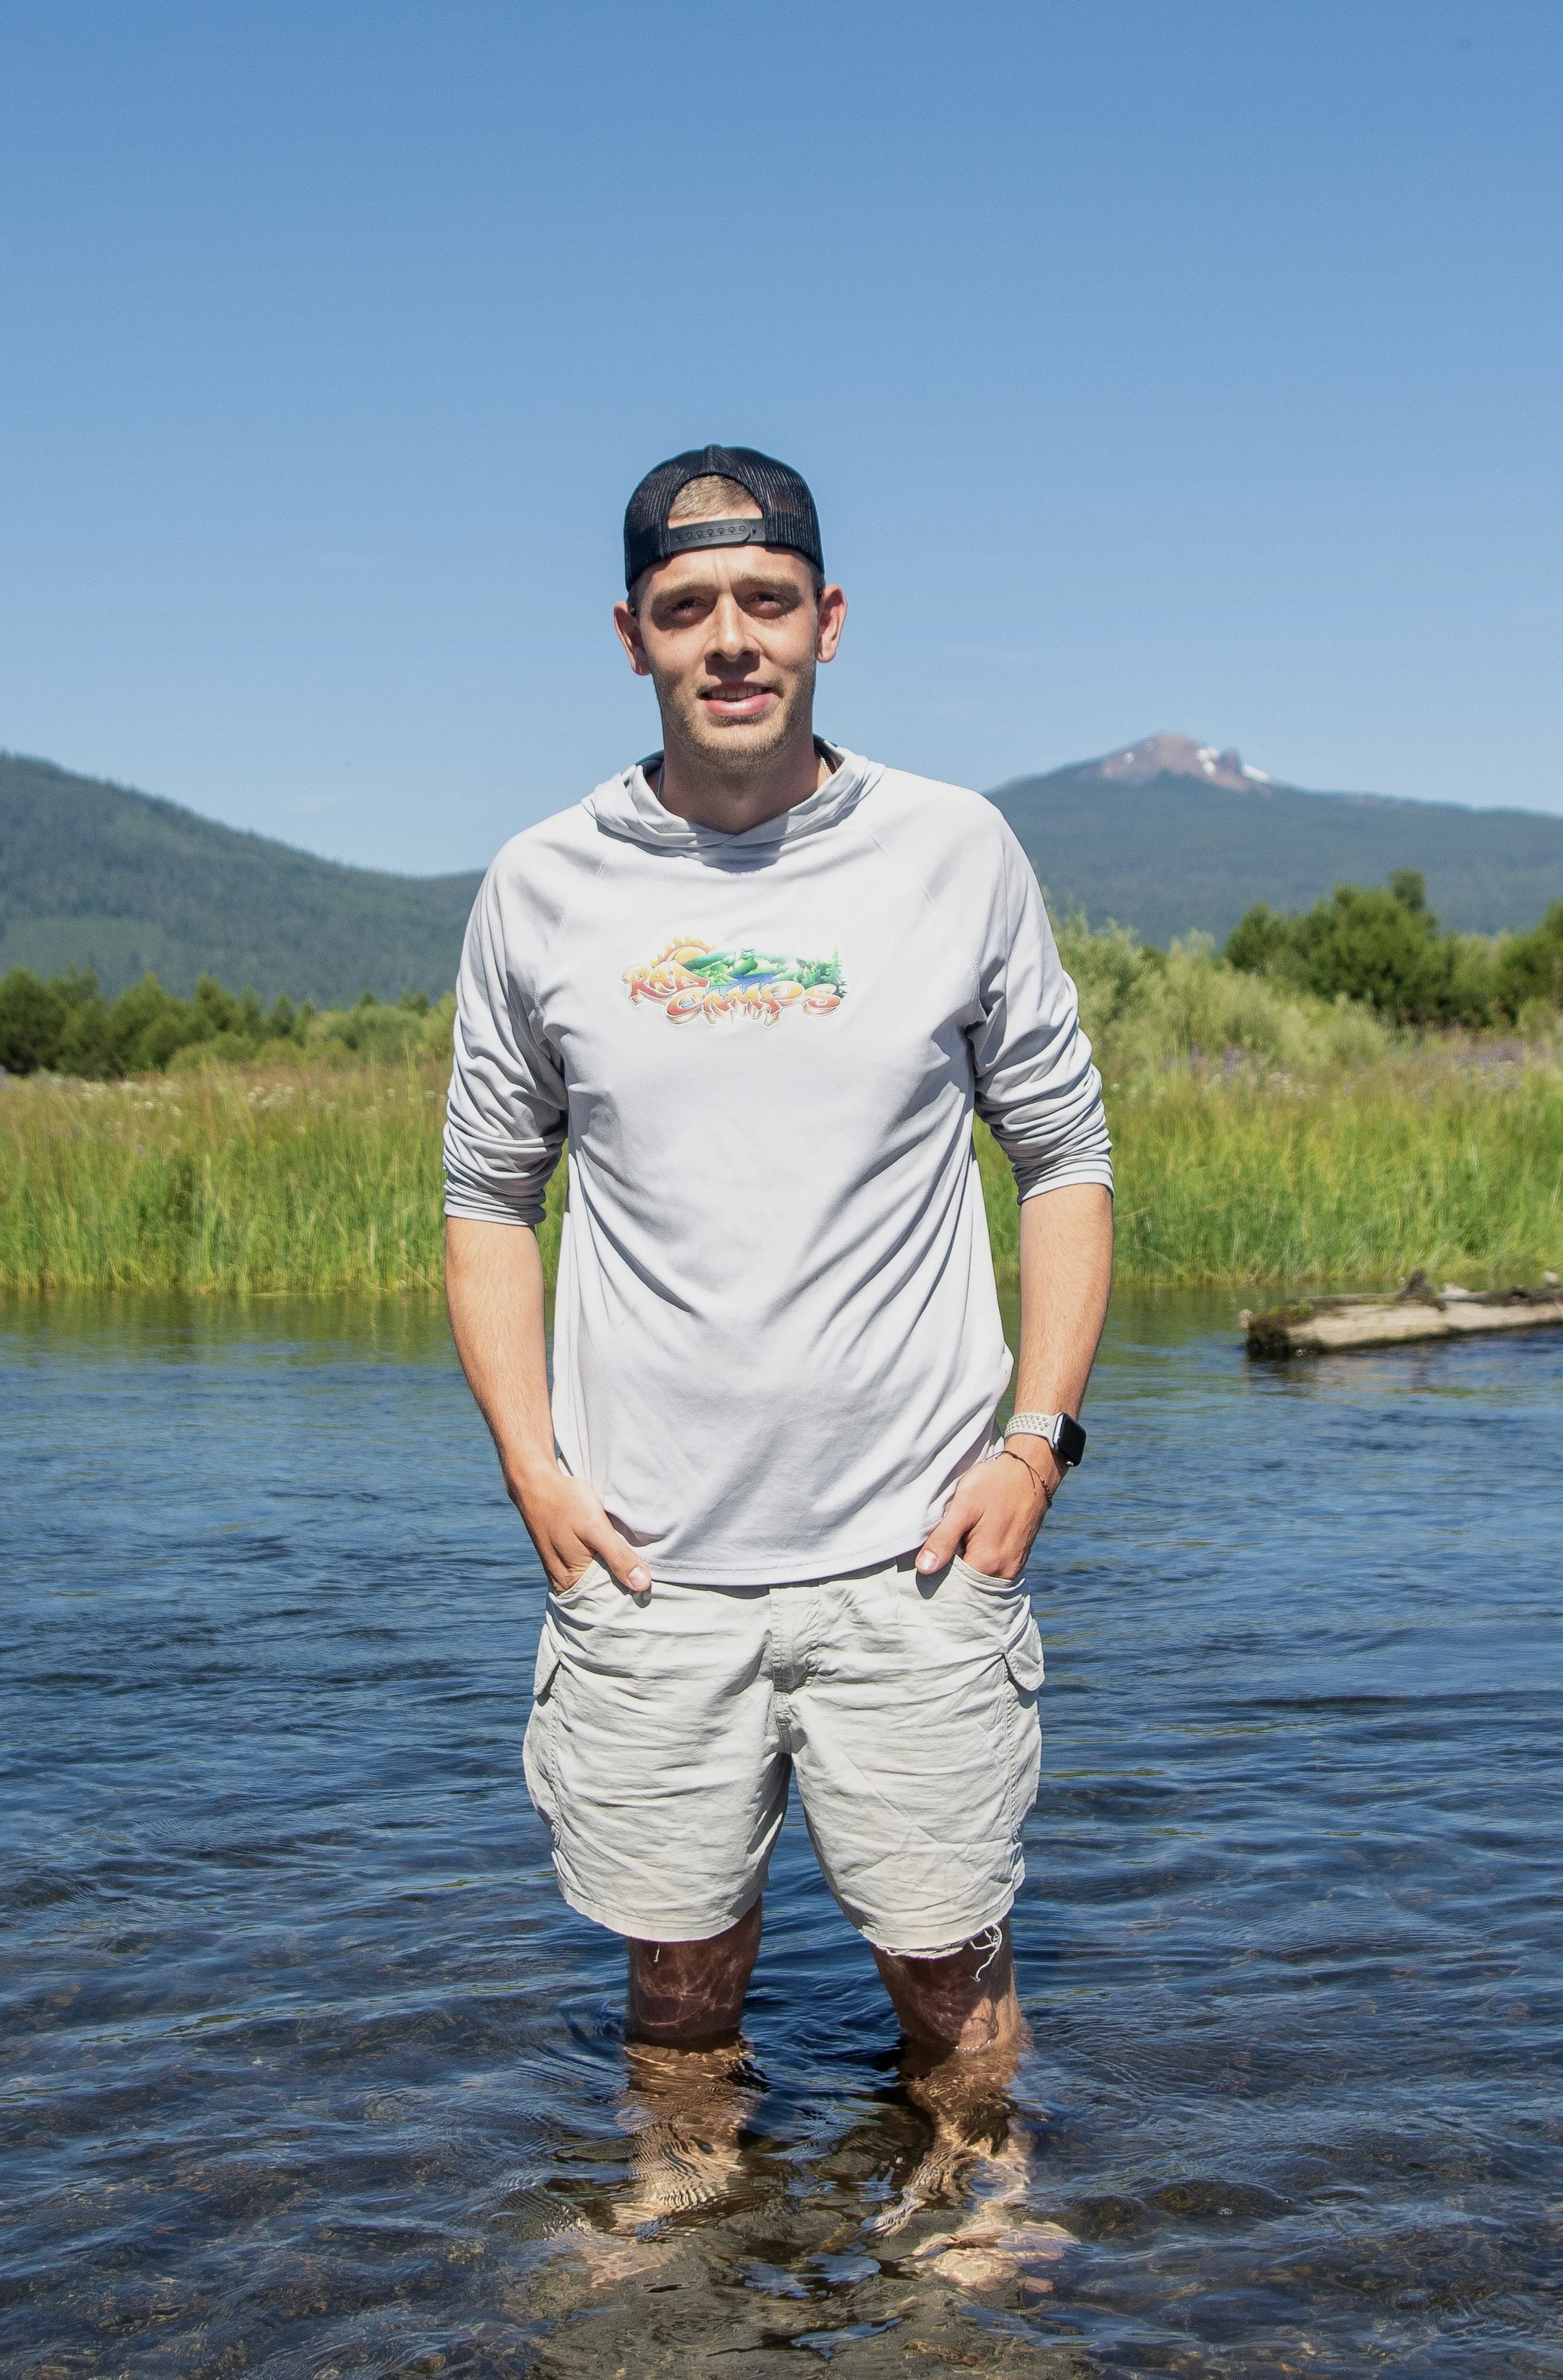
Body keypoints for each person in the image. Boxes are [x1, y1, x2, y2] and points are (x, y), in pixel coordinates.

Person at [444, 444, 1113, 2228]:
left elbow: (1064, 1153)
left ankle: (969, 2226)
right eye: (687, 609)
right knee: (675, 1989)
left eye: (764, 602)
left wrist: (1036, 1442)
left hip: (921, 1551)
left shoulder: (952, 852)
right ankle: (685, 2223)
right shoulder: (541, 883)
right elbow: (486, 1194)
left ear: (827, 619)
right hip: (647, 1559)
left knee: (948, 1976)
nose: (729, 640)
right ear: (631, 636)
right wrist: (533, 1473)